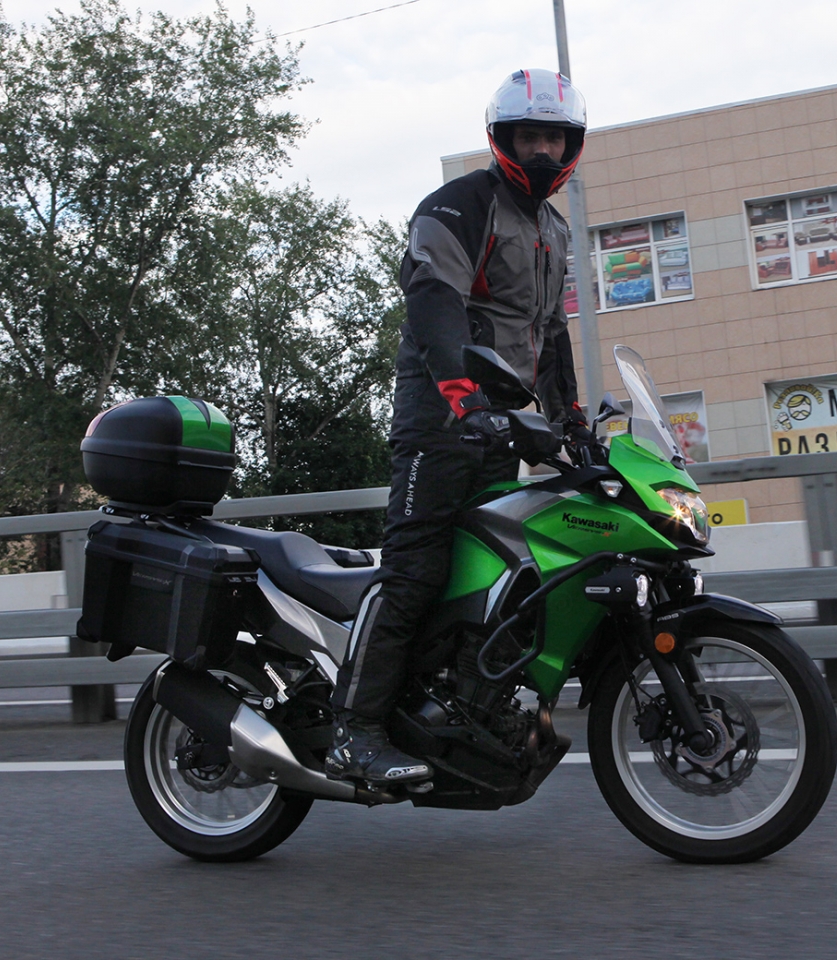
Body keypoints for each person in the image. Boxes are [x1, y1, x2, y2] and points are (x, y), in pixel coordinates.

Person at [326, 69, 589, 784]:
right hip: (441, 419)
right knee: (415, 572)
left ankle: (459, 713)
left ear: (570, 144)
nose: (541, 150)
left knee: (491, 578)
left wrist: (571, 421)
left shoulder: (554, 229)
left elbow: (550, 334)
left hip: (497, 425)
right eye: (529, 136)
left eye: (553, 137)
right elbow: (434, 304)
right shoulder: (460, 206)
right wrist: (463, 398)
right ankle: (354, 729)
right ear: (503, 139)